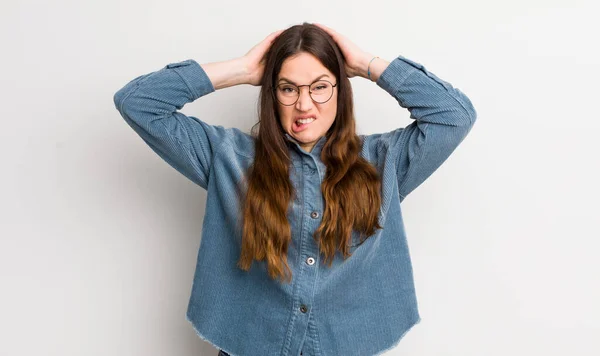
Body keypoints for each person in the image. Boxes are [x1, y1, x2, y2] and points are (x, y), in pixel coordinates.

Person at [113, 22, 476, 356]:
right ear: (272, 93)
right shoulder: (228, 157)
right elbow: (138, 103)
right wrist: (241, 69)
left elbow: (454, 115)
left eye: (320, 86)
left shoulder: (383, 162)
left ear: (340, 89)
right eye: (288, 88)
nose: (304, 104)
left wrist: (367, 64)